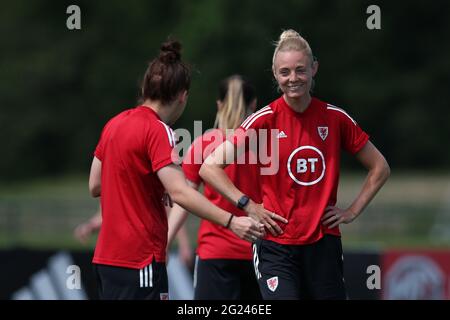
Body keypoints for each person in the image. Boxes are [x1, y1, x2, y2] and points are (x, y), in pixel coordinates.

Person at [199, 29, 390, 300]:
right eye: (285, 72)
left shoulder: (335, 118)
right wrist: (248, 205)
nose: (293, 79)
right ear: (275, 75)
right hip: (276, 246)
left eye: (300, 70)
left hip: (324, 243)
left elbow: (380, 167)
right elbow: (209, 167)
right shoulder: (263, 120)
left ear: (314, 69)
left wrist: (352, 211)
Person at [88, 39, 266, 300]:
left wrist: (143, 182)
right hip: (140, 258)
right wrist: (231, 221)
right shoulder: (160, 131)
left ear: (145, 87)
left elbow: (95, 185)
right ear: (183, 96)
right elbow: (181, 192)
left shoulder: (113, 124)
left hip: (106, 259)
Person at [168, 75, 278, 299]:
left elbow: (185, 198)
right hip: (261, 253)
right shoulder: (269, 145)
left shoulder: (203, 143)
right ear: (254, 104)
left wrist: (166, 240)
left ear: (218, 105)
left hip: (215, 253)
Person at [74, 205, 194, 269]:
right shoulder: (109, 177)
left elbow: (170, 210)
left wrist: (184, 245)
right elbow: (105, 215)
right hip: (117, 257)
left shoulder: (145, 169)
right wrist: (89, 226)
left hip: (145, 256)